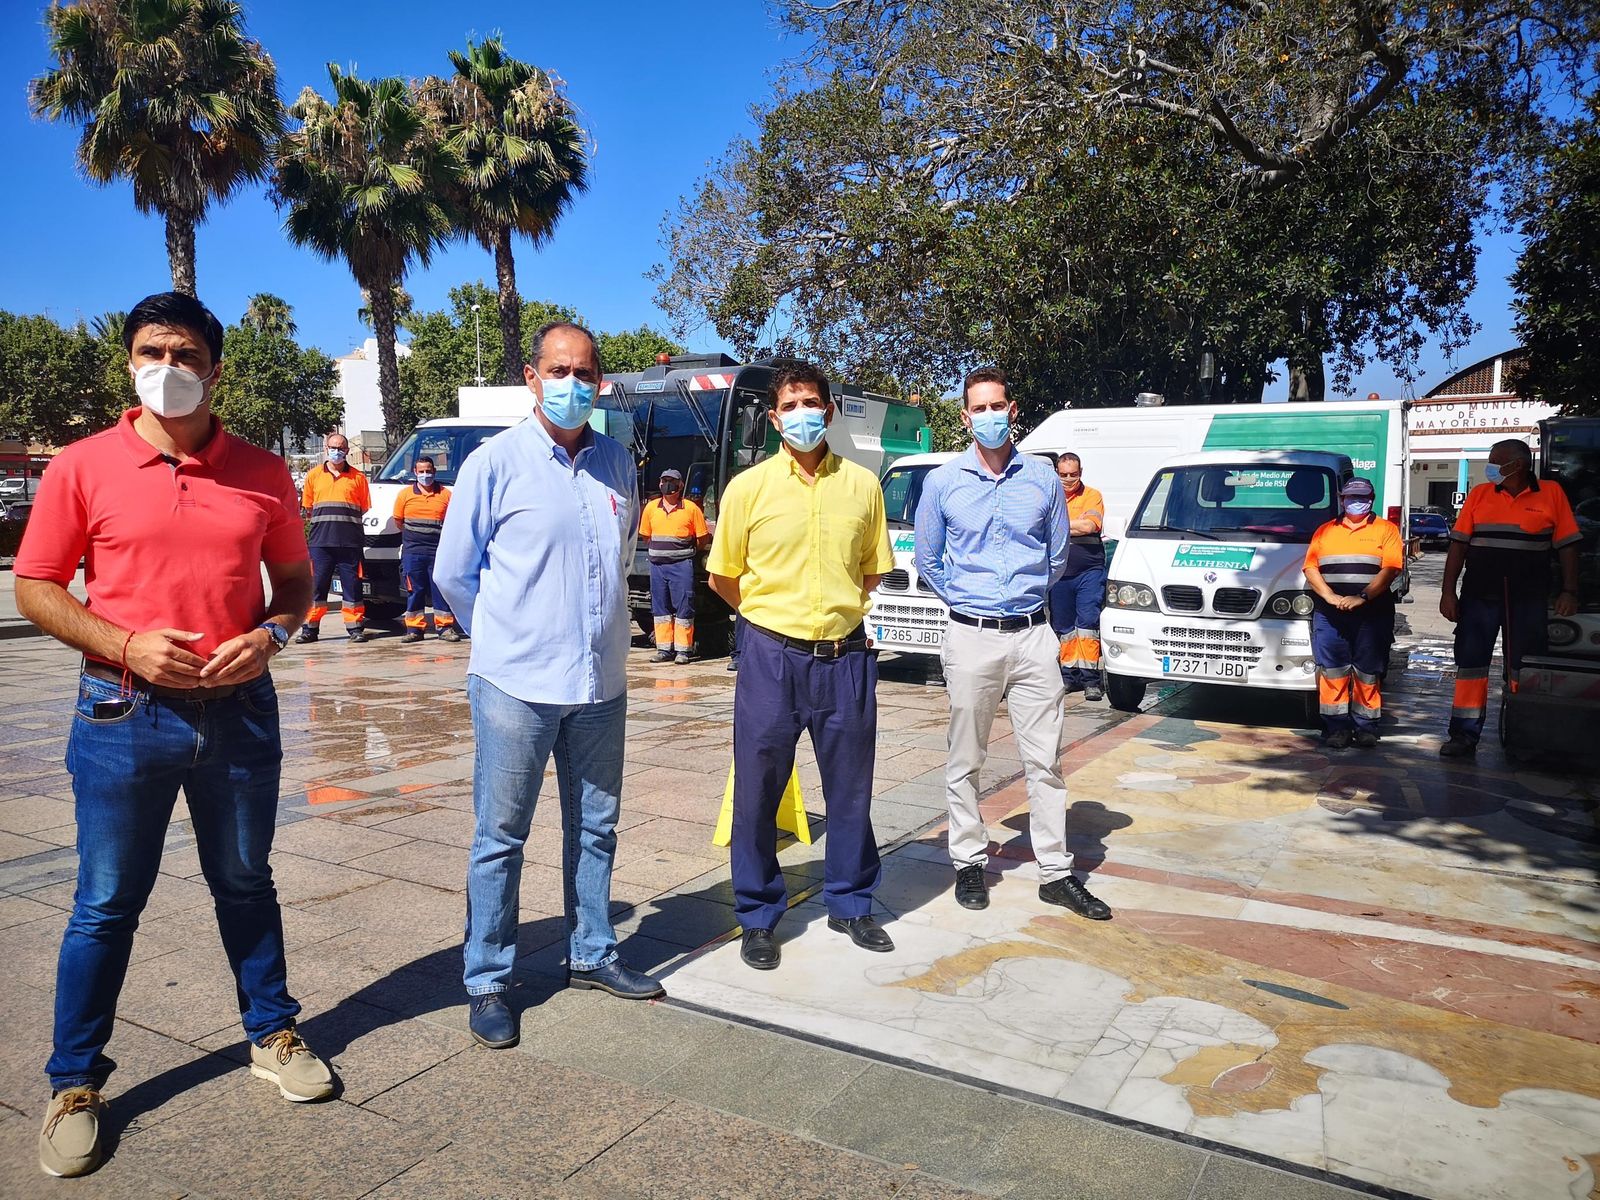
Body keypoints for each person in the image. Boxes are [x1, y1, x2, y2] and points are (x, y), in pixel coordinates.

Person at [14, 291, 334, 1179]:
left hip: (238, 712)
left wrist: (271, 636)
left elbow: (296, 583)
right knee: (105, 902)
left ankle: (271, 1033)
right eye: (152, 350)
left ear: (214, 368)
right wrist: (125, 644)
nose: (169, 366)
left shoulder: (263, 472)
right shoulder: (82, 466)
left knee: (244, 880)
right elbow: (36, 586)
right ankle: (75, 1083)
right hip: (122, 713)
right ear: (128, 362)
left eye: (187, 352)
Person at [435, 321, 664, 1050]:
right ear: (532, 378)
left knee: (595, 827)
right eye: (558, 370)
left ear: (599, 383)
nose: (573, 384)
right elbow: (452, 572)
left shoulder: (617, 465)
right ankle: (489, 979)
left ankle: (593, 952)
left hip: (600, 684)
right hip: (515, 687)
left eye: (586, 373)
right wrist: (504, 638)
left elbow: (621, 553)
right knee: (501, 836)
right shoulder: (494, 463)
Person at [707, 360, 895, 971]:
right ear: (772, 417)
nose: (801, 415)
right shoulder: (748, 488)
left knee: (850, 789)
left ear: (830, 411)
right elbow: (722, 576)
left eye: (810, 403)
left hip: (845, 658)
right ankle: (759, 915)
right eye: (788, 406)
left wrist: (829, 622)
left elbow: (869, 571)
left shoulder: (863, 486)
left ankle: (851, 901)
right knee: (757, 791)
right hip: (770, 657)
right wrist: (770, 623)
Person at [915, 367, 1111, 921]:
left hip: (1031, 636)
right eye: (977, 408)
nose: (988, 416)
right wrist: (968, 601)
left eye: (996, 405)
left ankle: (1055, 871)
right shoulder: (943, 481)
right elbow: (929, 560)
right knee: (966, 757)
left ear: (1013, 408)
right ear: (964, 416)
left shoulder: (1043, 480)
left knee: (1045, 760)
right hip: (971, 635)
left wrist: (1023, 602)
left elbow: (1054, 556)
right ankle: (969, 860)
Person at [1439, 438, 1581, 757]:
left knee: (1523, 668)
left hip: (1528, 599)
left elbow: (1568, 547)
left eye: (1495, 461)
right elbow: (1458, 547)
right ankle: (1463, 735)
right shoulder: (1479, 494)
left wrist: (1569, 591)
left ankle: (1522, 735)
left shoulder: (1551, 494)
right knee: (1471, 666)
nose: (1490, 467)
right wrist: (1448, 593)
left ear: (1516, 465)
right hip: (1479, 598)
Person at [1302, 478, 1404, 749]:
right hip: (1330, 612)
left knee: (1368, 671)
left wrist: (1362, 597)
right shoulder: (1324, 531)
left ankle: (1366, 728)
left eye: (1362, 496)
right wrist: (1329, 596)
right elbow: (1311, 568)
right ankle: (1336, 729)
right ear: (1341, 498)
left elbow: (1390, 569)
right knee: (1333, 670)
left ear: (1372, 497)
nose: (1356, 501)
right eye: (1350, 497)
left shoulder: (1386, 530)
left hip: (1372, 612)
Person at [297, 432, 371, 644]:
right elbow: (308, 508)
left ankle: (355, 628)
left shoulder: (358, 478)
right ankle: (309, 629)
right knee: (316, 587)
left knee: (353, 587)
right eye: (333, 447)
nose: (336, 451)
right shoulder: (313, 476)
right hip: (321, 543)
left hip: (350, 543)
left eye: (340, 448)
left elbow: (363, 508)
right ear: (326, 449)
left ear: (347, 451)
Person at [1047, 452, 1108, 701]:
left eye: (1073, 474)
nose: (1069, 479)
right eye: (1064, 475)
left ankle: (1091, 679)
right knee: (1064, 627)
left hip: (1089, 571)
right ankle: (1068, 676)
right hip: (1060, 572)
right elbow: (1040, 525)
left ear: (1080, 472)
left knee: (1087, 624)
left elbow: (1091, 526)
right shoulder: (1051, 495)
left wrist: (1058, 525)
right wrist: (1074, 524)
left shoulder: (1092, 495)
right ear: (1057, 473)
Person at [638, 467, 710, 664]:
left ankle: (683, 651)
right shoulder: (651, 508)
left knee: (684, 607)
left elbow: (702, 537)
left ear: (680, 485)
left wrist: (686, 552)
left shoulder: (691, 509)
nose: (667, 484)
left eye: (671, 481)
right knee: (660, 608)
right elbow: (646, 535)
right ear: (660, 483)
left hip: (681, 565)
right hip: (658, 566)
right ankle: (663, 650)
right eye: (664, 480)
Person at [392, 455, 459, 643]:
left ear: (434, 472)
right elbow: (399, 521)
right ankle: (414, 629)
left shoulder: (446, 495)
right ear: (415, 472)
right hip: (413, 551)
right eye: (421, 471)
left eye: (428, 471)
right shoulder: (405, 495)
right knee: (415, 590)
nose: (425, 475)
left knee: (440, 588)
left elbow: (452, 522)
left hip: (438, 551)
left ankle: (445, 627)